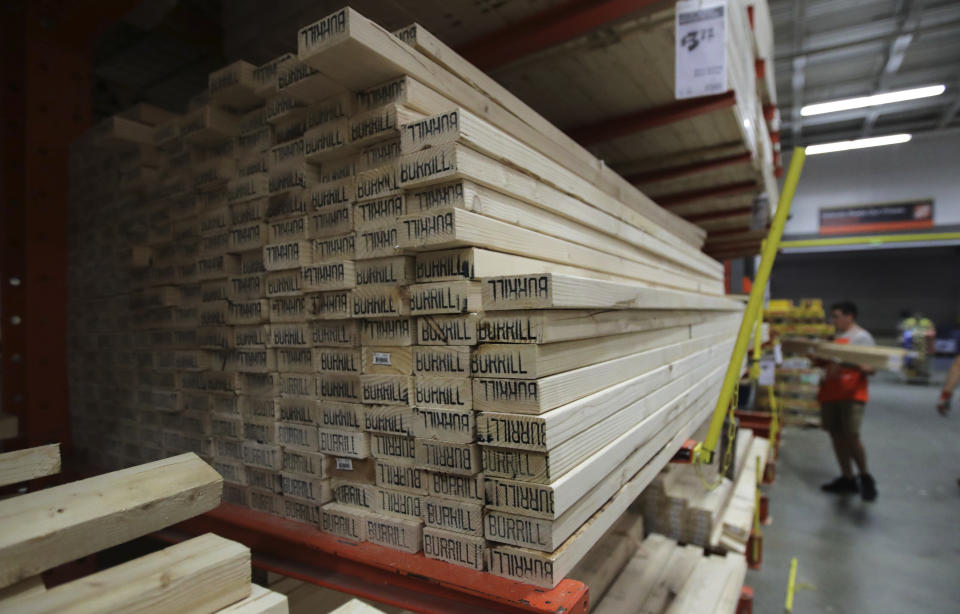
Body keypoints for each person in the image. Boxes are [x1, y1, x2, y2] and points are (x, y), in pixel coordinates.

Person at [817, 301, 878, 501]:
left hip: (851, 395)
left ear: (849, 316)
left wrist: (845, 363)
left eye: (836, 316)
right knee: (836, 436)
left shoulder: (861, 338)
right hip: (831, 392)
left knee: (852, 437)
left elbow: (871, 368)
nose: (832, 320)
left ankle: (865, 476)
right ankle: (847, 477)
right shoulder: (836, 337)